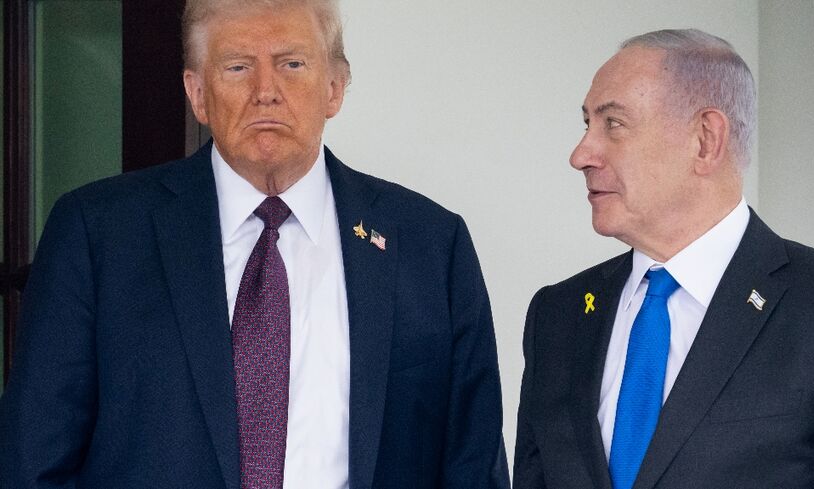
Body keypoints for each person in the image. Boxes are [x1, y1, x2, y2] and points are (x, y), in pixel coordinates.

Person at [0, 1, 510, 488]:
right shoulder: (97, 235)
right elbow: (33, 464)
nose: (266, 91)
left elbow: (472, 467)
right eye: (238, 67)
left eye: (292, 63)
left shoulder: (430, 246)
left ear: (335, 87)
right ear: (198, 94)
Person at [513, 28, 814, 489]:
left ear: (705, 140)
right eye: (587, 124)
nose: (580, 154)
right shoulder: (557, 315)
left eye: (613, 124)